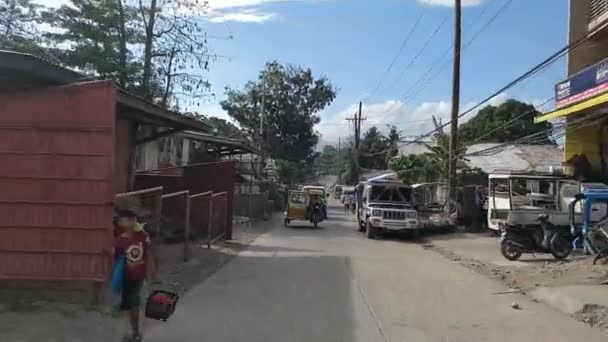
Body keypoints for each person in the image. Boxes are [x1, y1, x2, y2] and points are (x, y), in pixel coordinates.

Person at [114, 209, 155, 342]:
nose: (120, 221)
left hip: (134, 276)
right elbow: (148, 255)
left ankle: (135, 333)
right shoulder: (131, 238)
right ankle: (133, 332)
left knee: (133, 304)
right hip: (128, 277)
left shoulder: (138, 237)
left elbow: (149, 255)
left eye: (123, 219)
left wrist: (150, 273)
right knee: (129, 305)